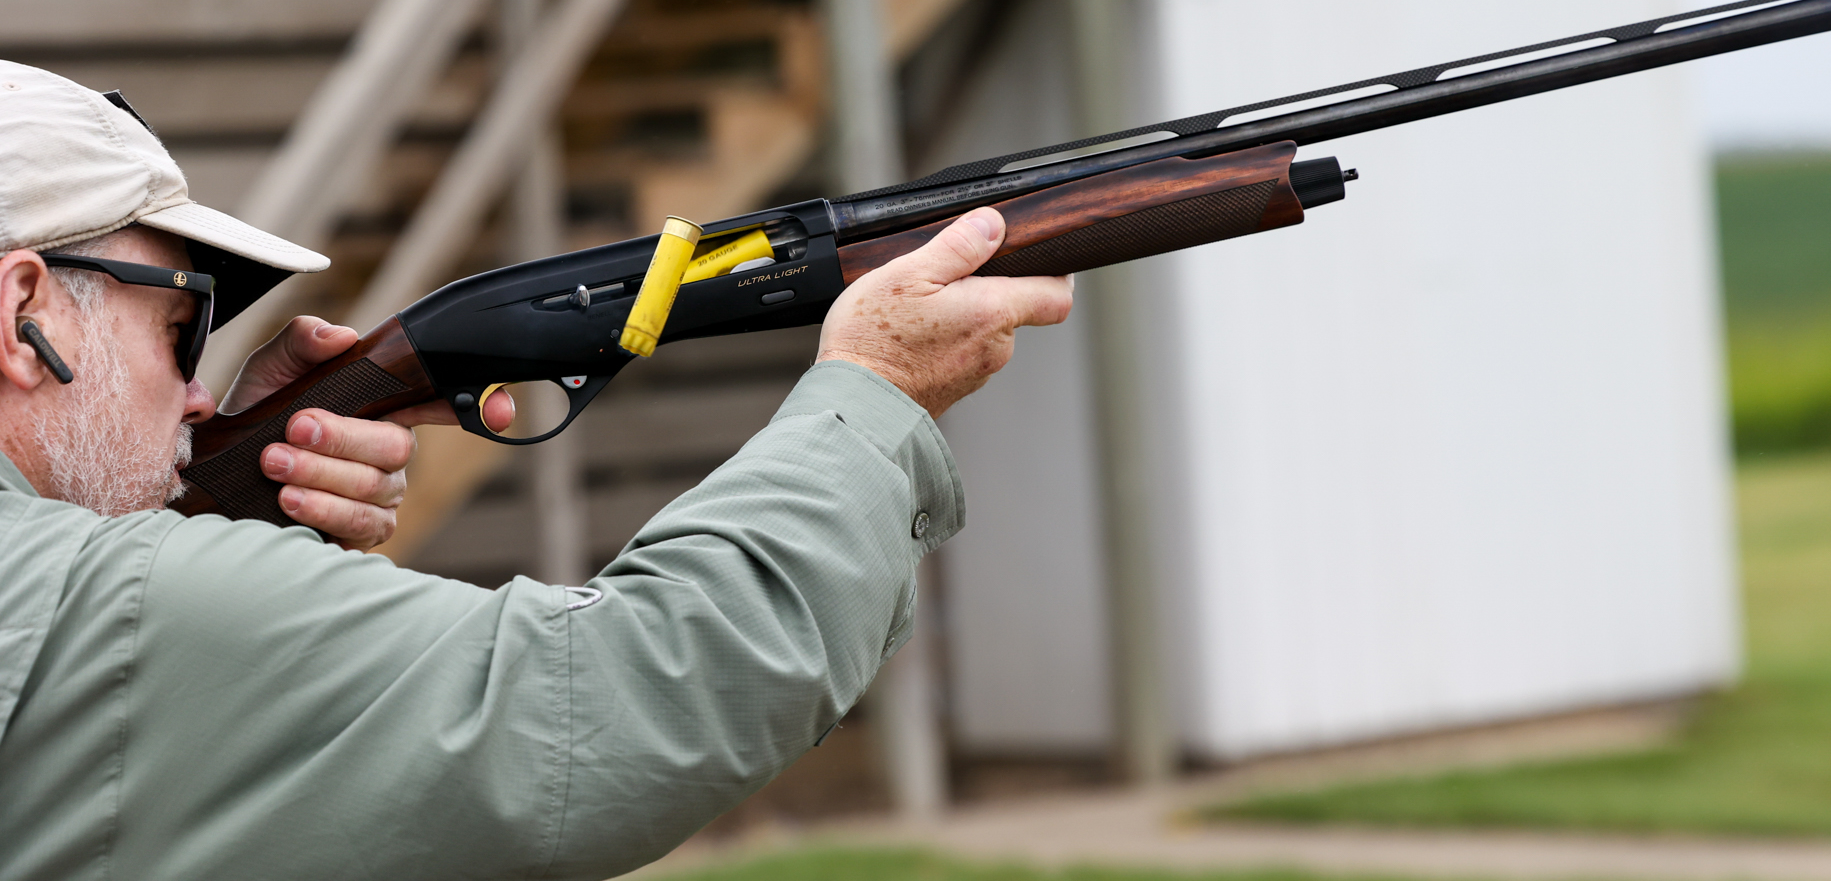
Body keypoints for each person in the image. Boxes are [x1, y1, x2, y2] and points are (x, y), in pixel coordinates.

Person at [0, 61, 1073, 880]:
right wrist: (871, 393)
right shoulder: (123, 609)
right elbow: (645, 689)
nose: (199, 394)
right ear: (22, 313)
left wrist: (250, 518)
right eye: (182, 329)